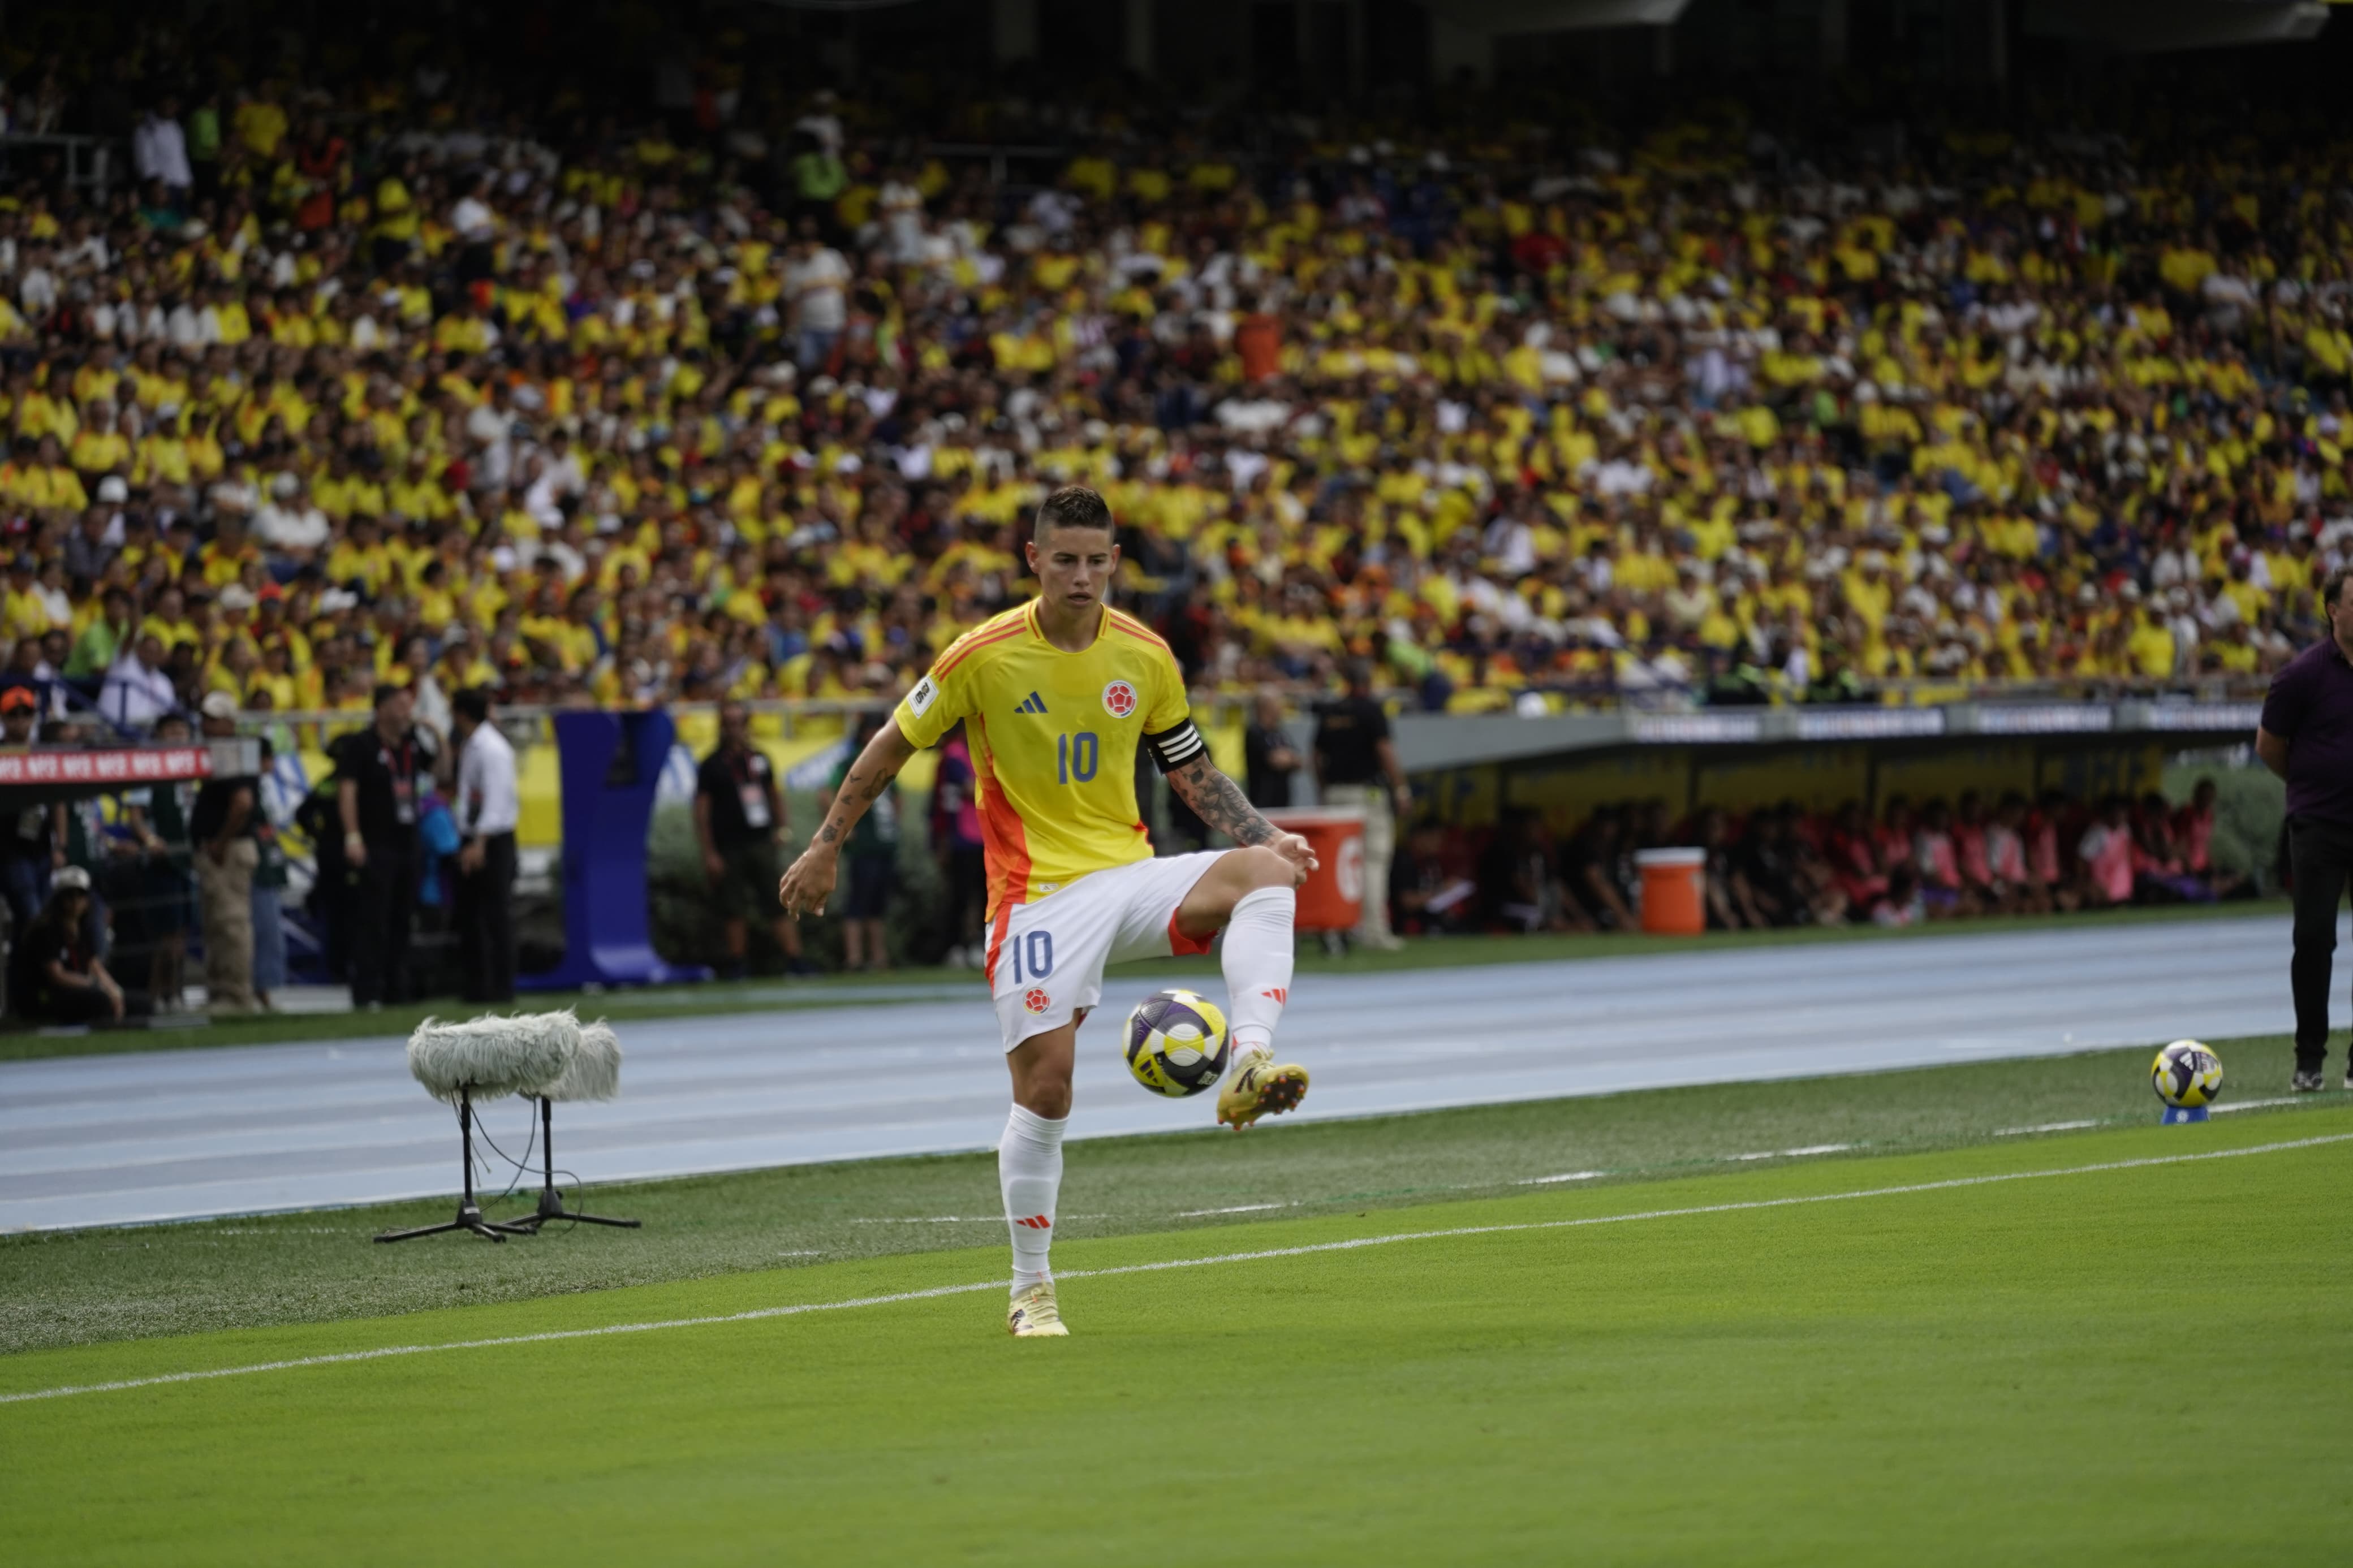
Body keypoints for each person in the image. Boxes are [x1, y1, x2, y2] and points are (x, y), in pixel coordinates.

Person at [778, 485, 1317, 1340]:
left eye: (1095, 560)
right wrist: (826, 844)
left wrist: (1270, 833)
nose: (1081, 575)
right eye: (1063, 559)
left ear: (1114, 563)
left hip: (1128, 875)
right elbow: (891, 745)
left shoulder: (1146, 654)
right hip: (1034, 900)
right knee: (1047, 1089)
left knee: (1263, 876)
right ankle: (1032, 1289)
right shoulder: (981, 655)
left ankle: (1250, 1061)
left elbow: (1192, 772)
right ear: (1034, 561)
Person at [2256, 564, 2353, 1092]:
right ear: (2333, 610)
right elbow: (2269, 744)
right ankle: (2309, 1059)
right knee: (2314, 938)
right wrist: (2309, 785)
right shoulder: (2302, 675)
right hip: (2318, 824)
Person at [331, 684, 434, 1009]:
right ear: (382, 709)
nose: (407, 712)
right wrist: (353, 835)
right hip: (375, 844)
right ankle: (366, 991)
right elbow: (347, 792)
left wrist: (438, 735)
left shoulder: (411, 744)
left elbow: (442, 771)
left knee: (403, 919)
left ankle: (397, 990)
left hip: (407, 843)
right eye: (401, 705)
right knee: (373, 920)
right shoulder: (361, 745)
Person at [695, 699, 814, 979]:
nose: (735, 729)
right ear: (722, 727)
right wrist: (709, 851)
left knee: (778, 900)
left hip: (761, 841)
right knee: (734, 907)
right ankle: (737, 963)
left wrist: (782, 828)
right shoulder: (711, 765)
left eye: (740, 722)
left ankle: (794, 960)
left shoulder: (759, 758)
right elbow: (701, 811)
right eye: (729, 723)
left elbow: (774, 795)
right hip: (729, 845)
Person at [1312, 658, 1411, 951]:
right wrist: (1401, 789)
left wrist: (1324, 790)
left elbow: (1316, 757)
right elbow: (1384, 750)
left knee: (1336, 865)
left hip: (1335, 796)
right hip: (1367, 796)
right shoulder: (1371, 709)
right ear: (1368, 682)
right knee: (1373, 862)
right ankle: (1373, 932)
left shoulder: (1331, 712)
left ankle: (1340, 930)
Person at [123, 711, 197, 1012]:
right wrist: (151, 841)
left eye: (182, 730)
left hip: (187, 860)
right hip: (161, 861)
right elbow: (136, 817)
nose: (178, 735)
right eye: (171, 730)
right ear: (159, 735)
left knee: (181, 934)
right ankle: (158, 995)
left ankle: (174, 993)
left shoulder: (193, 769)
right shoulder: (150, 768)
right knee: (165, 936)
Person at [449, 686, 519, 1003]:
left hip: (492, 839)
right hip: (475, 835)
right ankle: (478, 986)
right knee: (471, 915)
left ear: (461, 714)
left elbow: (496, 799)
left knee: (495, 915)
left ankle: (501, 988)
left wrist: (479, 842)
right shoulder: (472, 745)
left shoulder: (492, 749)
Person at [188, 693, 257, 1015]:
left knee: (230, 922)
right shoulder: (221, 752)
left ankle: (236, 994)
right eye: (204, 718)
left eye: (214, 719)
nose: (207, 724)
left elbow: (242, 802)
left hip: (227, 849)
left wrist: (220, 841)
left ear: (230, 722)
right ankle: (220, 992)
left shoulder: (231, 752)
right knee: (216, 923)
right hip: (222, 848)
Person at [8, 867, 144, 1025]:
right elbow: (57, 975)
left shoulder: (84, 928)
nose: (75, 901)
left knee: (141, 1004)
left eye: (80, 895)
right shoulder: (46, 930)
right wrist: (95, 986)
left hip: (81, 990)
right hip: (49, 996)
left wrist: (115, 990)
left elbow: (94, 965)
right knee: (100, 1001)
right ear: (59, 899)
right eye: (69, 896)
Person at [825, 710, 901, 971]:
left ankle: (878, 957)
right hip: (865, 843)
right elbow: (826, 793)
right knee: (859, 901)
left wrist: (895, 823)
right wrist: (844, 825)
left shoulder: (888, 759)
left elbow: (896, 796)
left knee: (878, 903)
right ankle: (854, 957)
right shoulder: (851, 762)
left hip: (883, 841)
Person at [0, 686, 64, 938]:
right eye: (13, 715)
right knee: (35, 918)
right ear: (3, 719)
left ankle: (25, 974)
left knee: (40, 919)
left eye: (25, 714)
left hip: (42, 850)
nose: (20, 721)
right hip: (10, 852)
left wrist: (61, 846)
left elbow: (58, 801)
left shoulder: (42, 753)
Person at [931, 722, 988, 968]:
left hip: (981, 836)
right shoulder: (954, 754)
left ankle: (978, 944)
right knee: (961, 897)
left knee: (983, 896)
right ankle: (956, 947)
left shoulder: (974, 752)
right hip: (963, 837)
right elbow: (970, 790)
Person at [250, 736, 289, 1011]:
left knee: (270, 929)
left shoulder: (264, 788)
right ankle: (259, 989)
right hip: (255, 869)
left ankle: (265, 989)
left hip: (268, 867)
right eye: (268, 758)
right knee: (263, 930)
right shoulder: (247, 791)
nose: (272, 764)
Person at [1242, 692, 1301, 809]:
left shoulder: (1280, 733)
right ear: (1265, 707)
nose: (1281, 708)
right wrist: (1286, 758)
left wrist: (1287, 759)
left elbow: (1299, 762)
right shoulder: (1255, 732)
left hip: (1283, 802)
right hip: (1263, 802)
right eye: (1277, 704)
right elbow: (1275, 760)